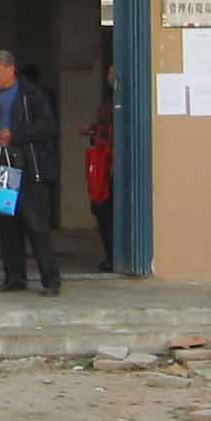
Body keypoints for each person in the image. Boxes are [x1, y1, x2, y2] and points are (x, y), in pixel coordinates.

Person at [0, 49, 62, 296]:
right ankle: (14, 278)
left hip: (30, 168)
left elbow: (47, 126)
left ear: (10, 69)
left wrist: (16, 135)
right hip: (1, 168)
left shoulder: (32, 94)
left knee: (37, 225)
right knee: (7, 227)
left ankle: (51, 280)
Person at [82, 63, 116, 272]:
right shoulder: (111, 100)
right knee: (102, 208)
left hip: (109, 162)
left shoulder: (120, 102)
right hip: (103, 160)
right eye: (109, 72)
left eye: (112, 72)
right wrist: (94, 130)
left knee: (106, 209)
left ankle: (114, 256)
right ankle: (111, 255)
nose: (109, 76)